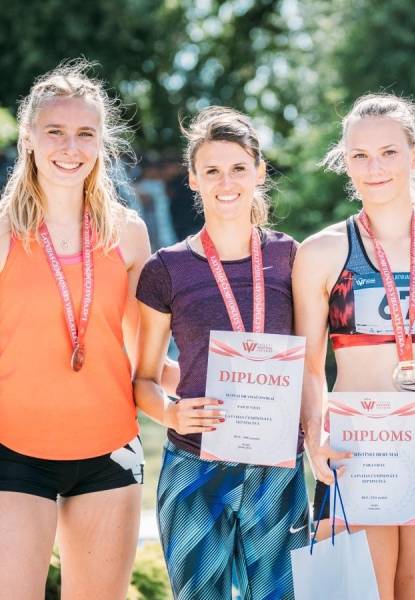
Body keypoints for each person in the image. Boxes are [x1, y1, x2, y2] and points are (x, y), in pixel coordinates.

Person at [133, 106, 311, 599]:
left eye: (238, 168)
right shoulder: (165, 268)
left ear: (259, 172)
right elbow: (144, 377)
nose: (226, 182)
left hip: (278, 466)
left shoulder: (290, 257)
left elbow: (311, 365)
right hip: (195, 467)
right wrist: (170, 414)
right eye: (211, 170)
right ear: (193, 178)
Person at [293, 93, 415, 599]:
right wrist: (314, 436)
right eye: (360, 156)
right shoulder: (321, 252)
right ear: (346, 163)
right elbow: (310, 368)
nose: (375, 168)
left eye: (389, 152)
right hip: (357, 451)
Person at [0, 61, 153, 599]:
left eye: (86, 133)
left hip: (110, 450)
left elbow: (144, 356)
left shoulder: (129, 234)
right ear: (29, 138)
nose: (71, 147)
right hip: (14, 449)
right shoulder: (3, 232)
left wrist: (226, 386)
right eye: (56, 131)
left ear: (101, 142)